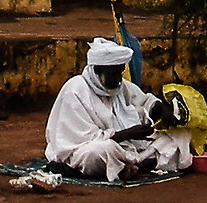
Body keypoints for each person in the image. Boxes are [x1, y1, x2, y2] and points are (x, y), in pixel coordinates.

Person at [44, 37, 195, 182]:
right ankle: (134, 166)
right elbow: (82, 141)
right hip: (91, 150)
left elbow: (145, 102)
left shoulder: (119, 86)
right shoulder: (76, 89)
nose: (118, 79)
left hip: (129, 146)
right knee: (96, 153)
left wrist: (161, 110)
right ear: (97, 71)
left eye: (120, 73)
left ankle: (129, 167)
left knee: (176, 137)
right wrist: (128, 133)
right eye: (114, 74)